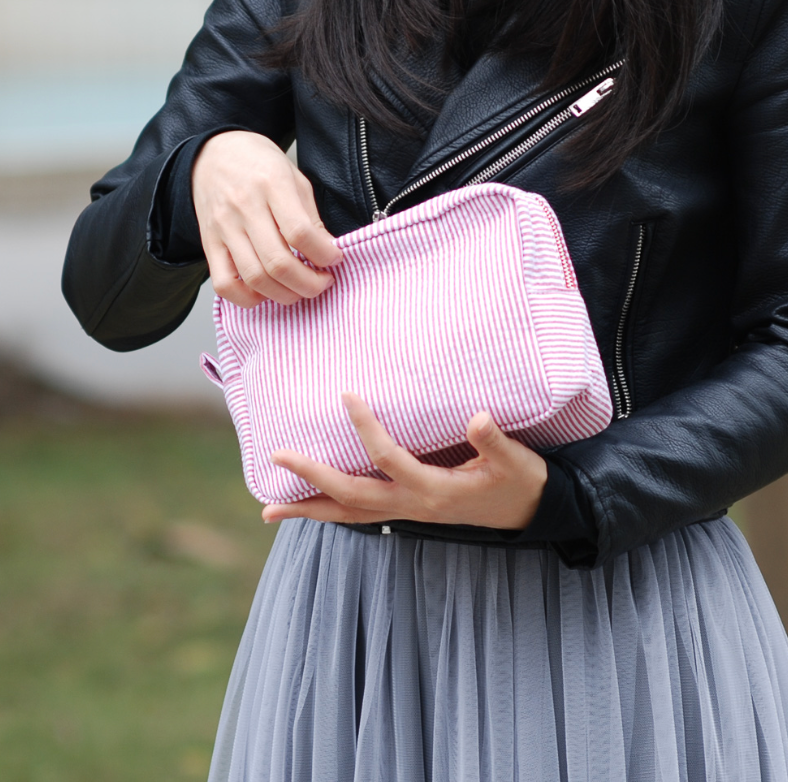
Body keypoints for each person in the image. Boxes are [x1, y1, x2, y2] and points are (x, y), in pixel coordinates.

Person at [62, 0, 788, 778]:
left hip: (619, 597)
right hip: (353, 609)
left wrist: (568, 493)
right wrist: (200, 170)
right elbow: (105, 292)